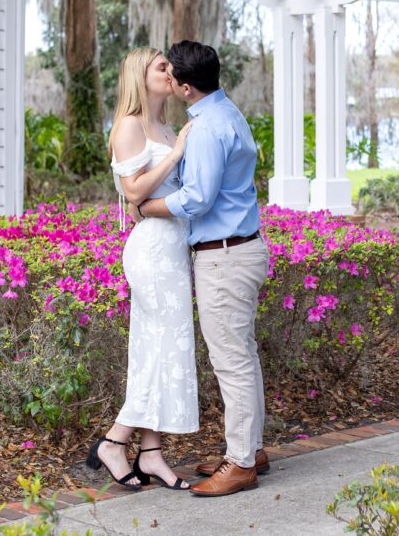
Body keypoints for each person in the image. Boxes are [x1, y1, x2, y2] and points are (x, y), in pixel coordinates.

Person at [131, 40, 270, 498]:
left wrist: (148, 207)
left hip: (225, 255)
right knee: (242, 355)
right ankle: (247, 448)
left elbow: (197, 198)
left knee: (231, 360)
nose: (166, 78)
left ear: (185, 86)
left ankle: (242, 463)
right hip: (240, 247)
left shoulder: (207, 128)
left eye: (171, 73)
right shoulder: (225, 110)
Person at [85, 47, 198, 491]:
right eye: (161, 66)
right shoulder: (129, 126)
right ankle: (114, 441)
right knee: (159, 347)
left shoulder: (168, 126)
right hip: (151, 251)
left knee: (163, 350)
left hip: (176, 249)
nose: (170, 72)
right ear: (140, 74)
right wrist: (176, 155)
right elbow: (134, 193)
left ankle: (150, 452)